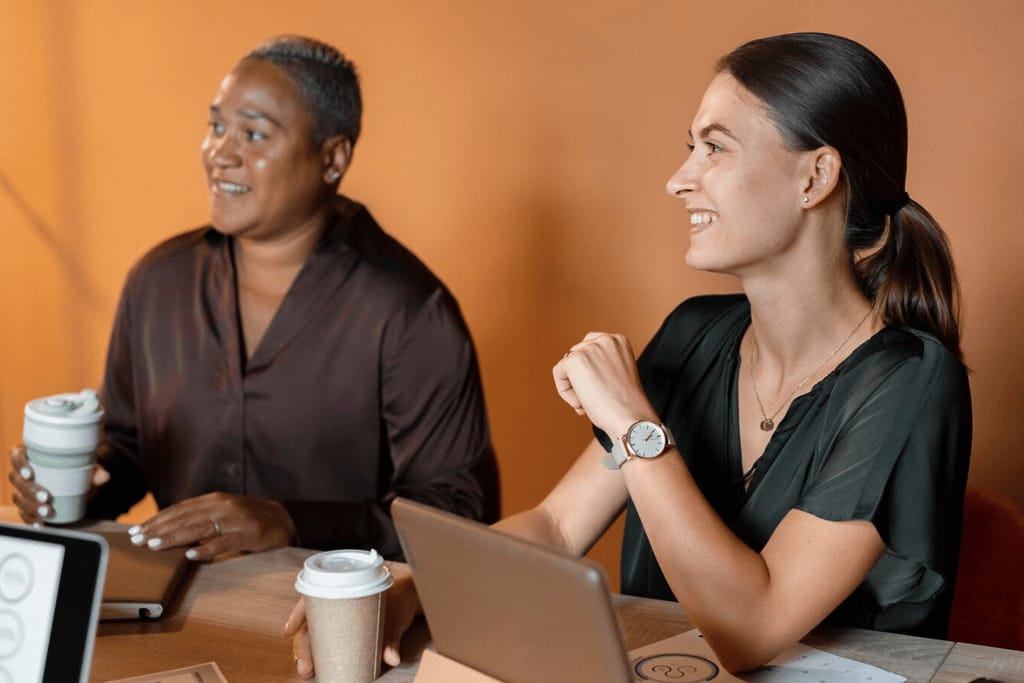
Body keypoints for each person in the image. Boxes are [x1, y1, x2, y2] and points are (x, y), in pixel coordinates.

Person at [287, 31, 972, 676]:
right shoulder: (693, 334)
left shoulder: (909, 381)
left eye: (715, 148)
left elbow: (752, 628)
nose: (679, 179)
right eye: (690, 147)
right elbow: (557, 526)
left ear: (815, 176)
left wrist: (634, 425)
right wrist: (416, 586)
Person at [8, 35, 499, 561]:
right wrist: (80, 480)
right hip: (172, 607)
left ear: (333, 157)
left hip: (336, 618)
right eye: (217, 126)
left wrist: (291, 522)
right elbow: (131, 447)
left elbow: (459, 509)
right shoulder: (158, 282)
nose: (221, 153)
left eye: (254, 134)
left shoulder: (409, 311)